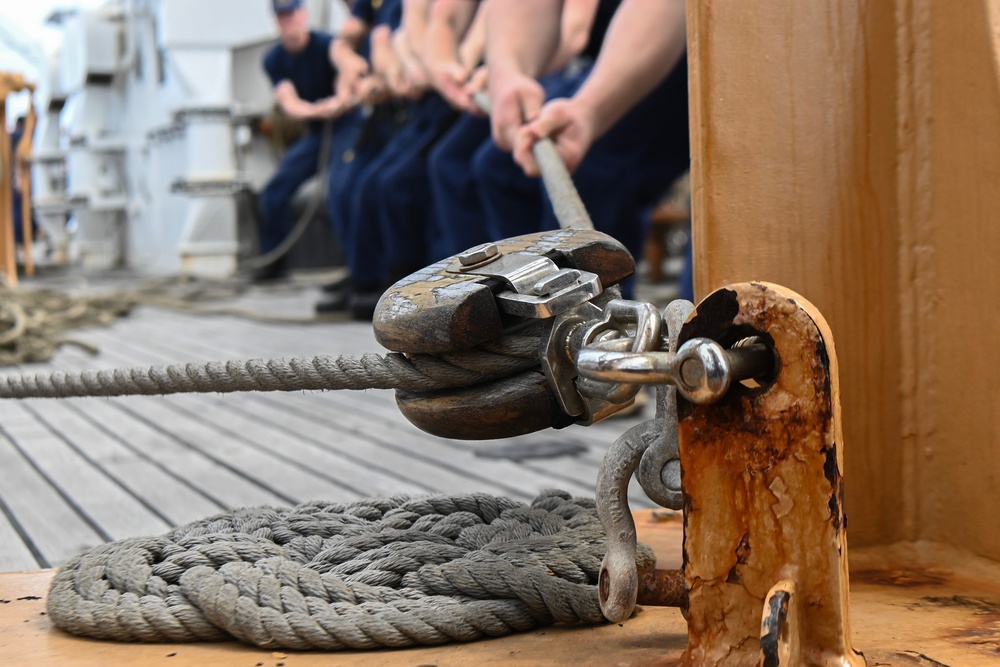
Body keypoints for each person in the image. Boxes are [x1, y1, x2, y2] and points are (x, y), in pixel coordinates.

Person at [486, 0, 690, 299]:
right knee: (499, 167)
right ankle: (523, 312)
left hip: (703, 30)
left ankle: (598, 321)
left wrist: (589, 110)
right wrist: (507, 73)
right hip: (619, 35)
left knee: (591, 167)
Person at [255, 0, 348, 282]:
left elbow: (348, 75)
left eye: (292, 14)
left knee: (346, 188)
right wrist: (319, 110)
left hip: (346, 127)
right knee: (274, 192)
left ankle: (355, 268)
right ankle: (273, 262)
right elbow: (289, 103)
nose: (289, 22)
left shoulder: (329, 45)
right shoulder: (274, 60)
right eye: (282, 17)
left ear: (303, 14)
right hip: (318, 131)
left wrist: (340, 102)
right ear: (276, 20)